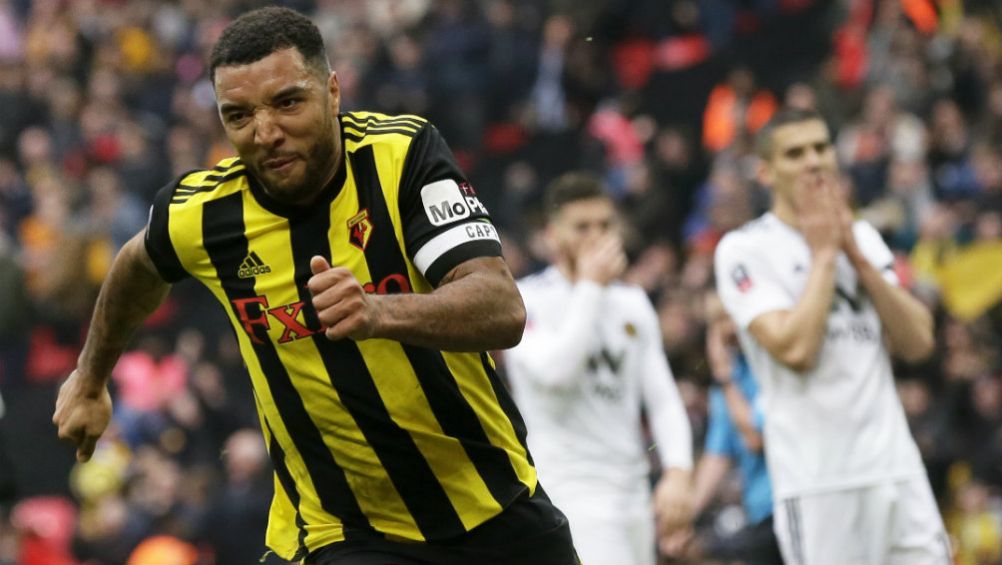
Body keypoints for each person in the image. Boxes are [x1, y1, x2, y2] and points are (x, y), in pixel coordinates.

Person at [52, 7, 578, 565]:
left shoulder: (401, 159)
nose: (266, 133)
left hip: (492, 506)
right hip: (343, 530)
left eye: (287, 102)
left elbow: (502, 307)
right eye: (238, 115)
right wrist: (89, 379)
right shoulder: (204, 215)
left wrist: (378, 313)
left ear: (332, 91)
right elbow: (137, 264)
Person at [714, 107, 949, 565]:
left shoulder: (862, 236)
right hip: (818, 481)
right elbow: (796, 349)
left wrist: (857, 259)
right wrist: (824, 256)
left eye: (821, 147)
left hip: (897, 469)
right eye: (795, 153)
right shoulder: (744, 249)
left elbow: (919, 342)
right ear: (766, 171)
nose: (814, 161)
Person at [504, 172, 693, 565]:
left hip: (633, 491)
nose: (597, 236)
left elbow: (661, 399)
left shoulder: (632, 303)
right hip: (569, 490)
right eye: (582, 227)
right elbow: (557, 373)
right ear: (553, 236)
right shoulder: (527, 301)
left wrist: (678, 470)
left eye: (605, 225)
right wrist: (589, 287)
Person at [663, 291, 783, 565]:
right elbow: (717, 457)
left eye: (728, 319)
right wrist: (683, 519)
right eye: (716, 323)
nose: (724, 331)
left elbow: (754, 437)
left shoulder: (768, 366)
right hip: (760, 513)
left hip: (787, 504)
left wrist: (725, 377)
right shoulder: (728, 382)